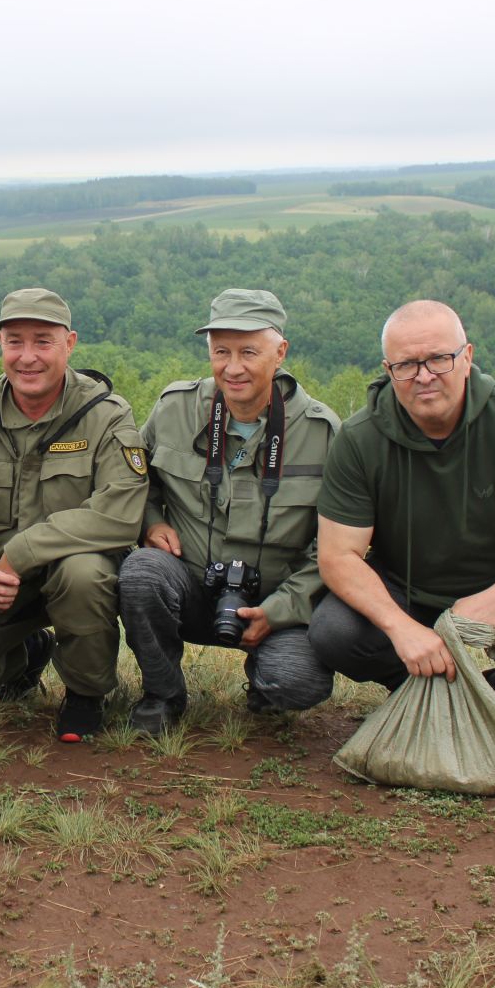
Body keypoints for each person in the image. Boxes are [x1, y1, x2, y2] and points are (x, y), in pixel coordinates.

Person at [307, 299, 495, 748]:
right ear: (388, 368)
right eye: (407, 365)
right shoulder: (359, 439)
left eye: (438, 359)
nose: (424, 375)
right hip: (406, 591)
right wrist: (401, 628)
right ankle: (422, 690)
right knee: (333, 631)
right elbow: (338, 556)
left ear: (467, 357)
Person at [0, 288, 148, 742]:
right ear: (0, 343)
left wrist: (24, 550)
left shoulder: (106, 416)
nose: (27, 357)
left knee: (82, 572)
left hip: (73, 577)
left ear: (70, 343)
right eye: (15, 341)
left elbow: (120, 514)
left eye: (43, 341)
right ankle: (26, 653)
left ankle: (85, 693)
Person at [119, 289, 341, 734]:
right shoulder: (175, 409)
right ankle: (163, 694)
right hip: (191, 587)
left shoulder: (323, 433)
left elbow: (333, 546)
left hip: (276, 600)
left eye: (248, 352)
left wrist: (279, 610)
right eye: (221, 351)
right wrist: (152, 521)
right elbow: (133, 481)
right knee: (141, 573)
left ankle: (265, 682)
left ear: (280, 352)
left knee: (297, 683)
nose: (232, 367)